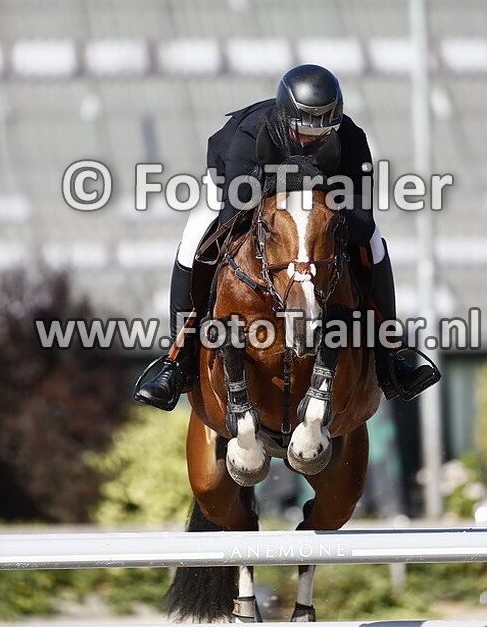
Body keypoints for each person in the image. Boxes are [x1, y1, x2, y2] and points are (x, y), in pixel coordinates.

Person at [133, 64, 439, 410]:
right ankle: (176, 360)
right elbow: (237, 210)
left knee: (374, 243)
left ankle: (391, 356)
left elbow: (361, 217)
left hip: (317, 205)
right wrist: (296, 185)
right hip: (236, 188)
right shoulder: (252, 134)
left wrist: (317, 194)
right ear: (286, 115)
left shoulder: (351, 138)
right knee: (193, 242)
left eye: (326, 127)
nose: (316, 137)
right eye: (305, 128)